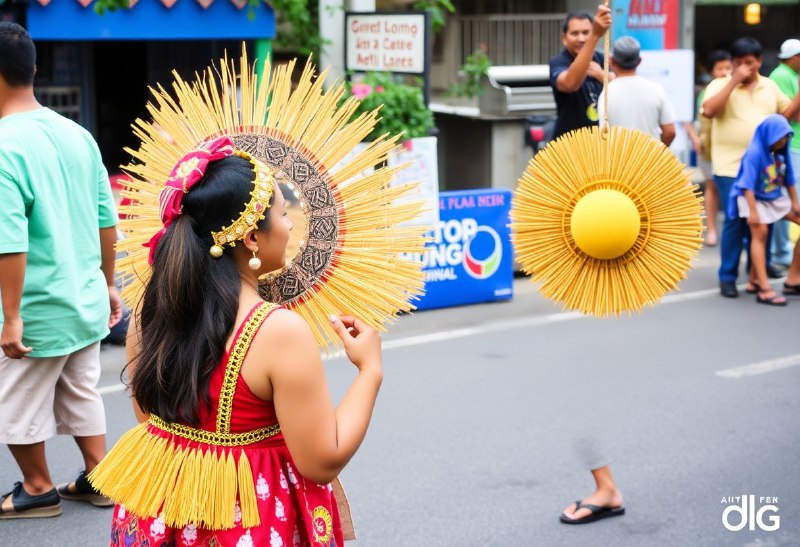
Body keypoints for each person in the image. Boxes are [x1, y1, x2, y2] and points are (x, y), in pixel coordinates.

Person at [88, 136, 383, 545]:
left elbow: (151, 419)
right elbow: (321, 460)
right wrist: (369, 371)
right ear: (249, 238)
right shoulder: (278, 330)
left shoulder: (149, 310)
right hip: (246, 518)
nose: (290, 223)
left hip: (163, 510)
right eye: (283, 213)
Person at [0, 23, 121, 519]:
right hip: (85, 297)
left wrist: (11, 318)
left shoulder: (4, 144)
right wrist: (110, 285)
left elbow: (10, 244)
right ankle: (101, 476)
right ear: (33, 69)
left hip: (36, 308)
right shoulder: (78, 134)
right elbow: (105, 219)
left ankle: (37, 486)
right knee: (81, 389)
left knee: (18, 401)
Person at [702, 37, 800, 298]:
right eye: (739, 63)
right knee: (736, 221)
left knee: (761, 223)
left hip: (764, 171)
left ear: (759, 62)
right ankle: (728, 277)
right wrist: (733, 81)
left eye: (750, 62)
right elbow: (709, 111)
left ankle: (758, 276)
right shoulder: (719, 84)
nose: (745, 67)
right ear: (732, 63)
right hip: (729, 167)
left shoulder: (769, 86)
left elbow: (787, 115)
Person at [731, 115, 800, 305]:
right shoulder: (754, 152)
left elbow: (790, 178)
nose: (783, 140)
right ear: (769, 134)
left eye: (786, 136)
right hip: (751, 198)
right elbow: (747, 186)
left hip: (774, 197)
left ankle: (793, 278)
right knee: (760, 232)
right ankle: (764, 288)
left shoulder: (781, 150)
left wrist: (795, 202)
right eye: (779, 136)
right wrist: (753, 212)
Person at [684, 50, 733, 247]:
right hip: (709, 146)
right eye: (719, 68)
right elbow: (689, 119)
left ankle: (731, 233)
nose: (724, 72)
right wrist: (695, 139)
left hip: (729, 148)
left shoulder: (736, 89)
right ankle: (711, 230)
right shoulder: (705, 92)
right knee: (711, 187)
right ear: (712, 71)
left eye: (728, 68)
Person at [598, 36, 676, 146]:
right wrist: (658, 153)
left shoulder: (607, 93)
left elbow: (603, 135)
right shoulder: (656, 90)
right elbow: (670, 131)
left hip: (619, 161)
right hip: (650, 160)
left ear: (612, 61)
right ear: (639, 61)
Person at [549, 5, 613, 140]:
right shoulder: (559, 62)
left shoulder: (602, 59)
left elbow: (621, 86)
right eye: (575, 33)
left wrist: (601, 75)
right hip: (568, 144)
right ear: (564, 38)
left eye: (586, 33)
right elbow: (569, 84)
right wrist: (594, 36)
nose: (581, 39)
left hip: (600, 141)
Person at [768, 39, 800, 271]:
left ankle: (782, 250)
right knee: (786, 203)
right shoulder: (782, 75)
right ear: (792, 57)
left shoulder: (787, 74)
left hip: (793, 145)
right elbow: (790, 114)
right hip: (791, 146)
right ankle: (781, 251)